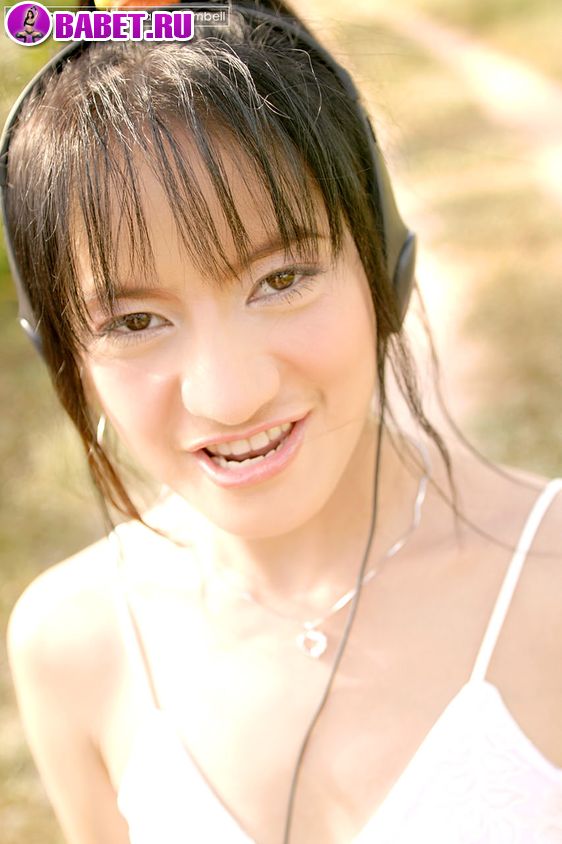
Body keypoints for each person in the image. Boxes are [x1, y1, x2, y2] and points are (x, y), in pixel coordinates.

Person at [1, 1, 561, 842]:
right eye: (135, 321)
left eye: (281, 278)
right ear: (62, 353)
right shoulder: (73, 645)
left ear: (382, 262)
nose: (228, 396)